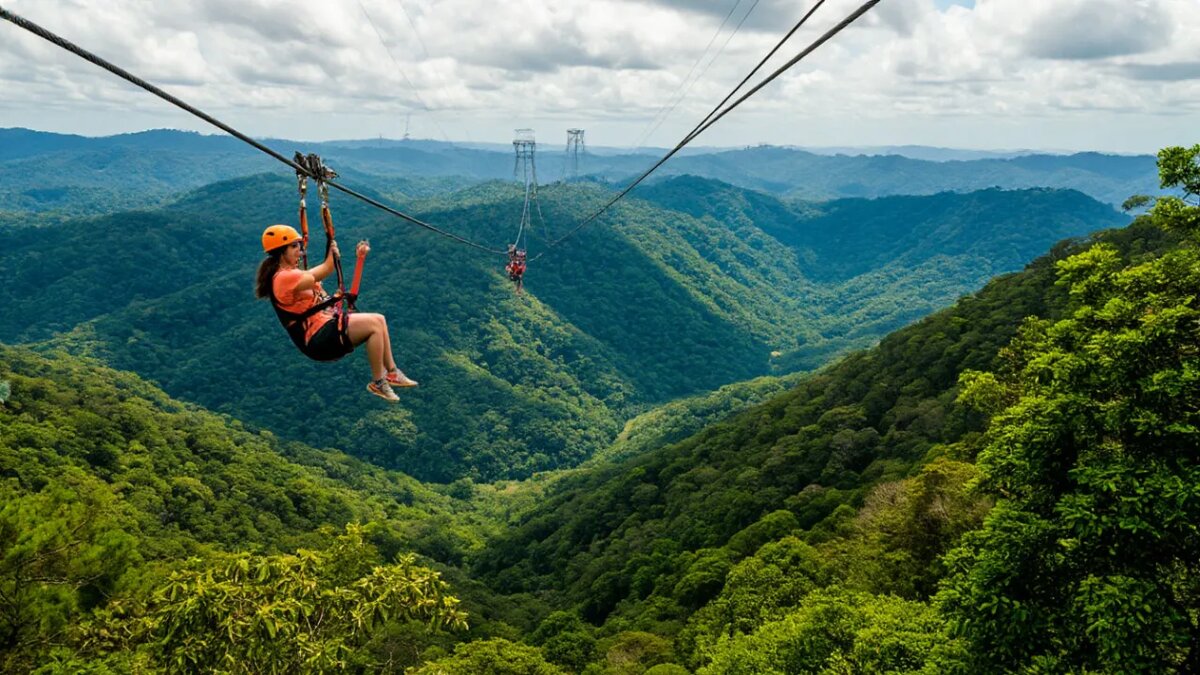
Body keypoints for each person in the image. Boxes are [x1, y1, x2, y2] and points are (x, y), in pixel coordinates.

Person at [255, 225, 417, 402]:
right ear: (281, 251)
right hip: (316, 338)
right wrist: (332, 250)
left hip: (322, 330)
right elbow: (326, 269)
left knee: (379, 319)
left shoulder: (289, 275)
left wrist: (331, 254)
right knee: (373, 326)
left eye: (299, 246)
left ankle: (392, 372)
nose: (299, 251)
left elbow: (322, 275)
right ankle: (379, 381)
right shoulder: (283, 278)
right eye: (294, 246)